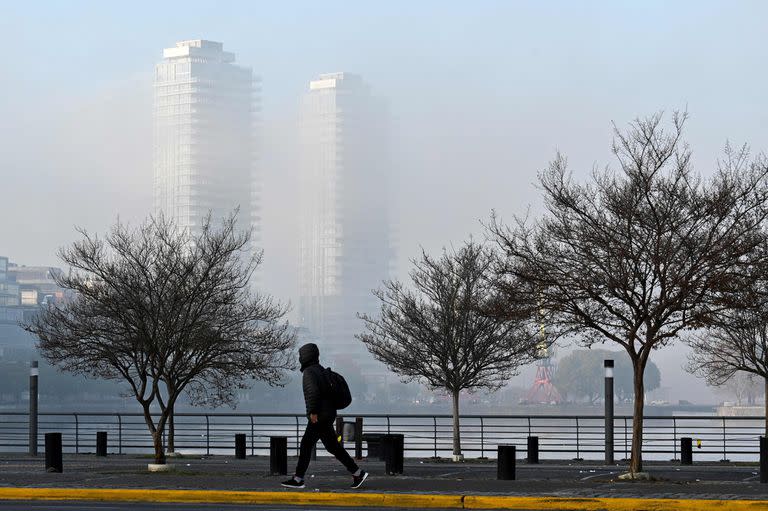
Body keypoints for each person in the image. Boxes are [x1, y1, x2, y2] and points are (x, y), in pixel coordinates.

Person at [281, 343, 368, 489]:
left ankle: (298, 479)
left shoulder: (309, 372)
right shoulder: (320, 370)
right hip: (329, 413)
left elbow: (312, 393)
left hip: (319, 416)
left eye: (300, 356)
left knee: (306, 445)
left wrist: (312, 412)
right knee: (333, 447)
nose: (299, 358)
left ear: (305, 357)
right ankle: (357, 473)